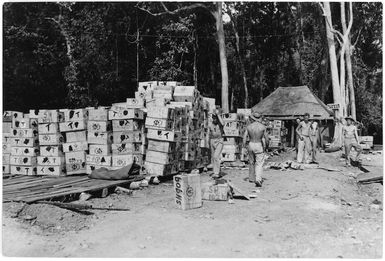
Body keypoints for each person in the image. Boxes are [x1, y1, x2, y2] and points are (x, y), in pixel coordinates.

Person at [243, 112, 268, 187]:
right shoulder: (263, 127)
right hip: (258, 144)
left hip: (251, 143)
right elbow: (266, 138)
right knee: (259, 163)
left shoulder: (249, 126)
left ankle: (251, 178)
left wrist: (244, 146)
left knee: (251, 161)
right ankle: (258, 179)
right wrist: (266, 146)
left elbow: (244, 137)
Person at [209, 110, 224, 178]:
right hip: (212, 140)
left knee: (216, 156)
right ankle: (217, 170)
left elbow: (223, 123)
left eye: (216, 118)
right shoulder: (211, 124)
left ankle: (216, 173)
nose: (215, 120)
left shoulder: (220, 124)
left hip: (219, 140)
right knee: (213, 157)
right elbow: (208, 133)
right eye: (214, 118)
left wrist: (218, 114)